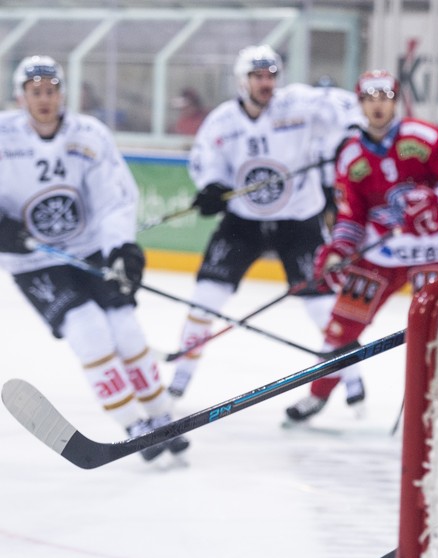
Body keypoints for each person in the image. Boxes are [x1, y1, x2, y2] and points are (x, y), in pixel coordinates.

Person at [0, 56, 187, 462]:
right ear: (21, 96)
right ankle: (134, 426)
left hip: (88, 249)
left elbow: (113, 200)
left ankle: (161, 418)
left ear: (62, 93)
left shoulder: (88, 134)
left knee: (125, 329)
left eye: (51, 91)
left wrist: (121, 247)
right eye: (36, 92)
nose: (44, 99)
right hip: (34, 261)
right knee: (87, 330)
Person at [283, 69, 438, 427]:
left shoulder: (422, 137)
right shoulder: (351, 156)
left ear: (395, 101)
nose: (378, 105)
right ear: (360, 103)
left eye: (385, 97)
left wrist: (436, 201)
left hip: (431, 254)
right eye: (370, 98)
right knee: (341, 327)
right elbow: (351, 216)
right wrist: (340, 250)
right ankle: (318, 395)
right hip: (380, 256)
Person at [168, 45, 364, 400]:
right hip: (244, 223)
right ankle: (180, 376)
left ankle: (353, 378)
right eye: (258, 76)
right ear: (241, 81)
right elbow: (204, 159)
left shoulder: (299, 104)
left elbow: (352, 107)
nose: (266, 83)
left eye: (271, 75)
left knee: (322, 305)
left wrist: (350, 137)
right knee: (205, 298)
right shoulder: (223, 121)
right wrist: (211, 187)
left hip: (298, 222)